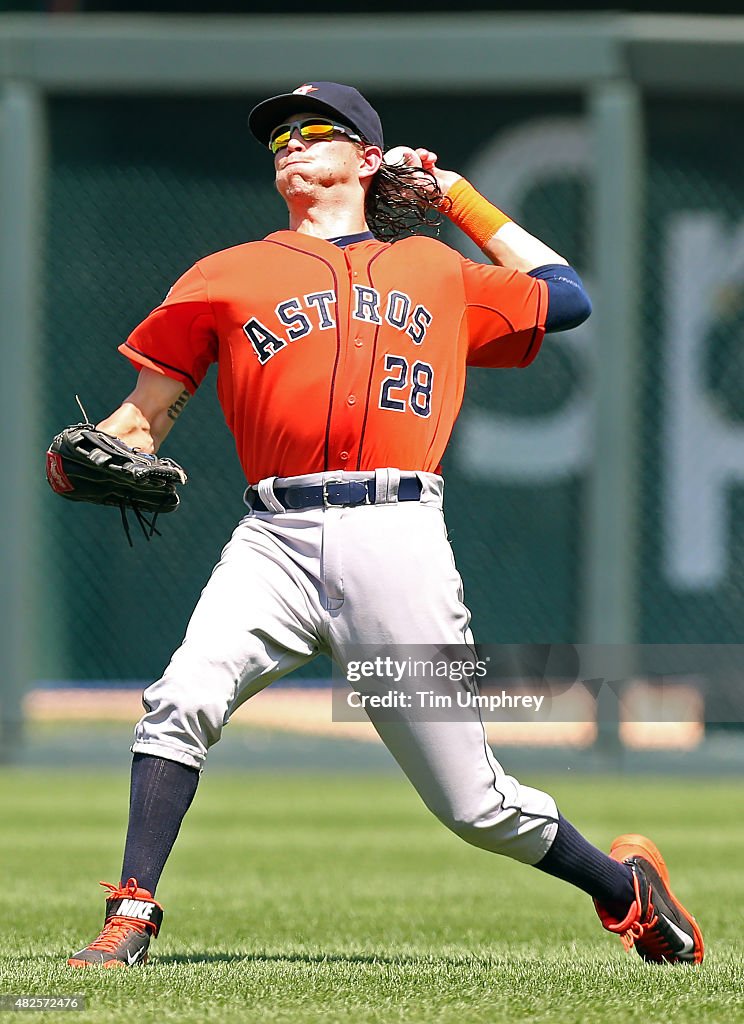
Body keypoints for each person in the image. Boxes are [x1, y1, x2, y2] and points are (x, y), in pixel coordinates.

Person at [66, 82, 703, 968]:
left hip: (396, 536)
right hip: (272, 540)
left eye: (314, 130)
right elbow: (146, 416)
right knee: (180, 700)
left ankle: (624, 890)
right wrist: (89, 453)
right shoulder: (225, 272)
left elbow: (567, 295)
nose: (290, 143)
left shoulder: (434, 270)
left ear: (368, 159)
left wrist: (454, 199)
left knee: (473, 805)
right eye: (278, 135)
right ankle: (131, 913)